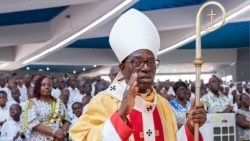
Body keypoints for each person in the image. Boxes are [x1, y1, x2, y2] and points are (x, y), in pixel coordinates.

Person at [70, 9, 206, 141]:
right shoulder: (105, 101)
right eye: (137, 62)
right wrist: (120, 115)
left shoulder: (162, 104)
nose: (146, 68)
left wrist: (190, 127)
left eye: (151, 62)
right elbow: (79, 137)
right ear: (122, 69)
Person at [21, 76, 71, 141]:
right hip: (40, 138)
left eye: (49, 85)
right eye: (43, 85)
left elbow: (67, 120)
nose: (47, 87)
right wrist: (54, 133)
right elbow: (33, 123)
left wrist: (63, 134)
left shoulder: (59, 102)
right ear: (38, 87)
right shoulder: (32, 103)